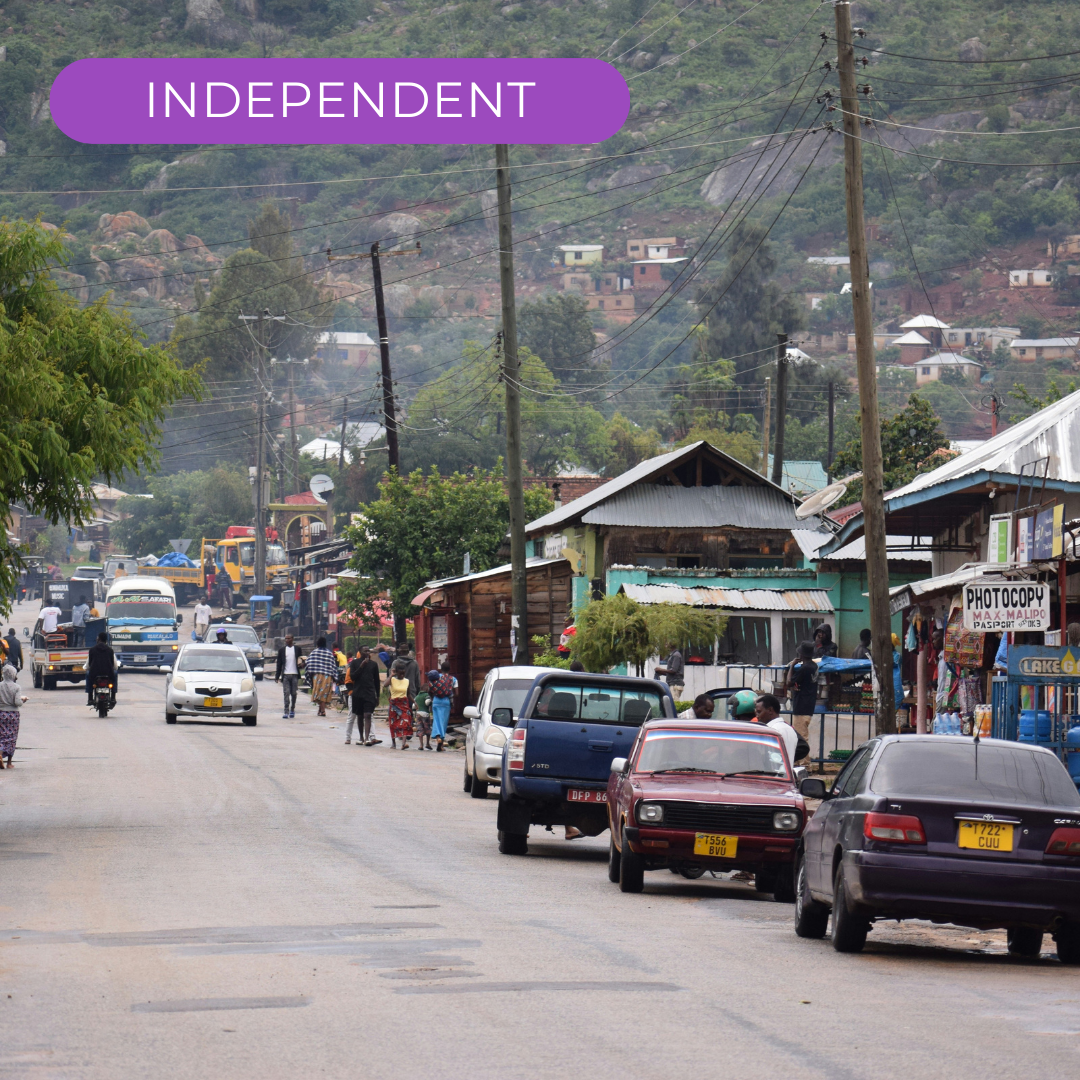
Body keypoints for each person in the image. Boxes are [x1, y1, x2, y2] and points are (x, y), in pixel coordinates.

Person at [785, 642, 817, 766]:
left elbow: (789, 682)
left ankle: (805, 765)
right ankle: (799, 762)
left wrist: (792, 666)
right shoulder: (814, 666)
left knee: (801, 737)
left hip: (802, 706)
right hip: (809, 704)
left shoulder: (805, 668)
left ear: (801, 654)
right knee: (801, 735)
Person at [346, 647, 382, 746]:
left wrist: (377, 695)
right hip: (358, 693)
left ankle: (367, 738)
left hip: (369, 693)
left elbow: (376, 681)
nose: (367, 653)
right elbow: (352, 677)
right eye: (365, 651)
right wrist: (361, 666)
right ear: (360, 652)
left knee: (368, 715)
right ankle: (361, 737)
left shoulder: (373, 665)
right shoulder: (354, 663)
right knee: (360, 716)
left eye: (368, 651)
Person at [0, 664, 27, 769]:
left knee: (2, 736)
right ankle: (9, 763)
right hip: (12, 715)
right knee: (11, 737)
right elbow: (17, 703)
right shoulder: (16, 687)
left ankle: (0, 754)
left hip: (1, 713)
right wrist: (23, 700)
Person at [384, 659, 414, 749]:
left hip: (404, 704)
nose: (402, 675)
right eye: (400, 673)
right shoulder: (392, 679)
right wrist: (391, 675)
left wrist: (414, 702)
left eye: (403, 674)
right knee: (393, 724)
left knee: (406, 722)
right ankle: (393, 743)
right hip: (394, 704)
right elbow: (385, 684)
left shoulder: (407, 681)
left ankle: (403, 743)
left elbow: (408, 694)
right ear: (396, 672)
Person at [306, 636, 338, 718]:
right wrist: (334, 677)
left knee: (319, 693)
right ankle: (320, 710)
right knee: (323, 693)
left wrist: (310, 674)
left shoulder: (314, 652)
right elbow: (333, 666)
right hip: (327, 677)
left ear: (317, 644)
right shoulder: (329, 653)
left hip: (317, 676)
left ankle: (323, 711)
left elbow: (309, 663)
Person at [85, 632, 117, 708]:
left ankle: (90, 697)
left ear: (98, 639)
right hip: (108, 674)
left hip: (95, 674)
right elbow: (114, 665)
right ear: (106, 640)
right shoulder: (110, 650)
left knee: (87, 674)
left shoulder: (92, 650)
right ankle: (113, 696)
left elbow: (88, 665)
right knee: (115, 673)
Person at [275, 634, 304, 719]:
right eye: (285, 639)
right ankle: (286, 711)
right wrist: (277, 676)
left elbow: (301, 660)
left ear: (292, 639)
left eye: (288, 638)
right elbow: (279, 664)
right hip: (285, 675)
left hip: (295, 674)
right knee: (286, 693)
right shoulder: (282, 650)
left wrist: (302, 665)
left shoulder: (297, 649)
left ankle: (292, 709)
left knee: (294, 693)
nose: (286, 640)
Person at [430, 660, 456, 752]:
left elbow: (431, 688)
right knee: (443, 722)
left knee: (436, 721)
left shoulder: (437, 677)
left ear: (441, 669)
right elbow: (457, 692)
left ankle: (438, 739)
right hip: (446, 702)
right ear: (450, 669)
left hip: (436, 701)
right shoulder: (453, 679)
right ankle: (441, 743)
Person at [414, 677, 434, 751]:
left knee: (420, 729)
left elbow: (414, 706)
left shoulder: (417, 697)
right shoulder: (426, 695)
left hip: (418, 714)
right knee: (427, 728)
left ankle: (421, 745)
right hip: (425, 714)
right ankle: (427, 744)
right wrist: (431, 703)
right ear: (426, 689)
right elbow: (427, 702)